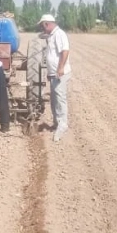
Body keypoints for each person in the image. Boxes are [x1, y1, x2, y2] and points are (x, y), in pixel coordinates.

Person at [37, 14, 72, 142]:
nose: (42, 28)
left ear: (47, 24)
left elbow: (65, 51)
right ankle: (57, 123)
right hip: (53, 73)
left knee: (60, 98)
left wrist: (60, 68)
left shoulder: (59, 34)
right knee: (54, 99)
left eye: (42, 26)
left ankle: (63, 125)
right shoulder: (51, 36)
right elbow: (52, 54)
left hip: (60, 73)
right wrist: (50, 72)